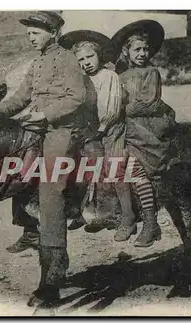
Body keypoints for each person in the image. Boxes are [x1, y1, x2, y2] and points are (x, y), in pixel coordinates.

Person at [0, 11, 97, 257]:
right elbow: (20, 97)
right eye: (28, 33)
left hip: (62, 130)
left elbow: (76, 97)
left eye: (36, 33)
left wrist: (45, 115)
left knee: (51, 188)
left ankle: (55, 263)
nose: (31, 37)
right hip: (38, 129)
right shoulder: (37, 62)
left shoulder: (67, 59)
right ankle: (30, 231)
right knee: (15, 170)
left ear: (53, 32)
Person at [58, 30, 138, 241]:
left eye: (89, 57)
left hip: (110, 130)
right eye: (81, 59)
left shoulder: (108, 76)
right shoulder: (81, 80)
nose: (86, 63)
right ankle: (89, 212)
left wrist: (99, 130)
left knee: (114, 168)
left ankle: (126, 217)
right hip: (91, 131)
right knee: (79, 164)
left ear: (99, 56)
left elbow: (111, 109)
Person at [111, 20, 177, 247]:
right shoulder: (121, 76)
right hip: (127, 127)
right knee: (116, 165)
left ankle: (151, 222)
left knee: (137, 168)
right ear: (126, 51)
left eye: (145, 49)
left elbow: (149, 103)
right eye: (137, 49)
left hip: (147, 128)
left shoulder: (151, 72)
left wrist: (122, 108)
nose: (142, 53)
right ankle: (124, 215)